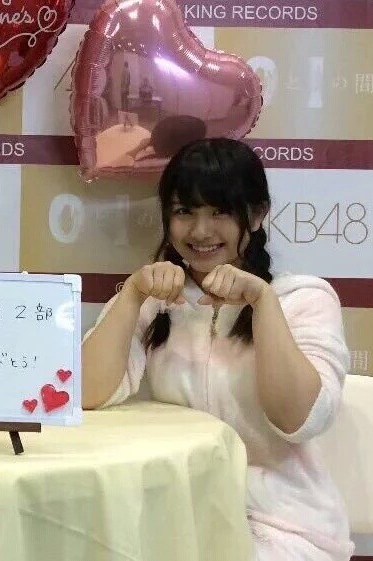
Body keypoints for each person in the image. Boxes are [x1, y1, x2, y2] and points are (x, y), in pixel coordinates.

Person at [82, 138, 354, 561]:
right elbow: (84, 393)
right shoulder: (154, 300)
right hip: (173, 513)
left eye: (220, 212)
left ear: (257, 214)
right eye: (184, 212)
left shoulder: (302, 299)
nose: (200, 231)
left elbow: (299, 419)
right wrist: (133, 294)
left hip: (280, 524)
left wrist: (263, 303)